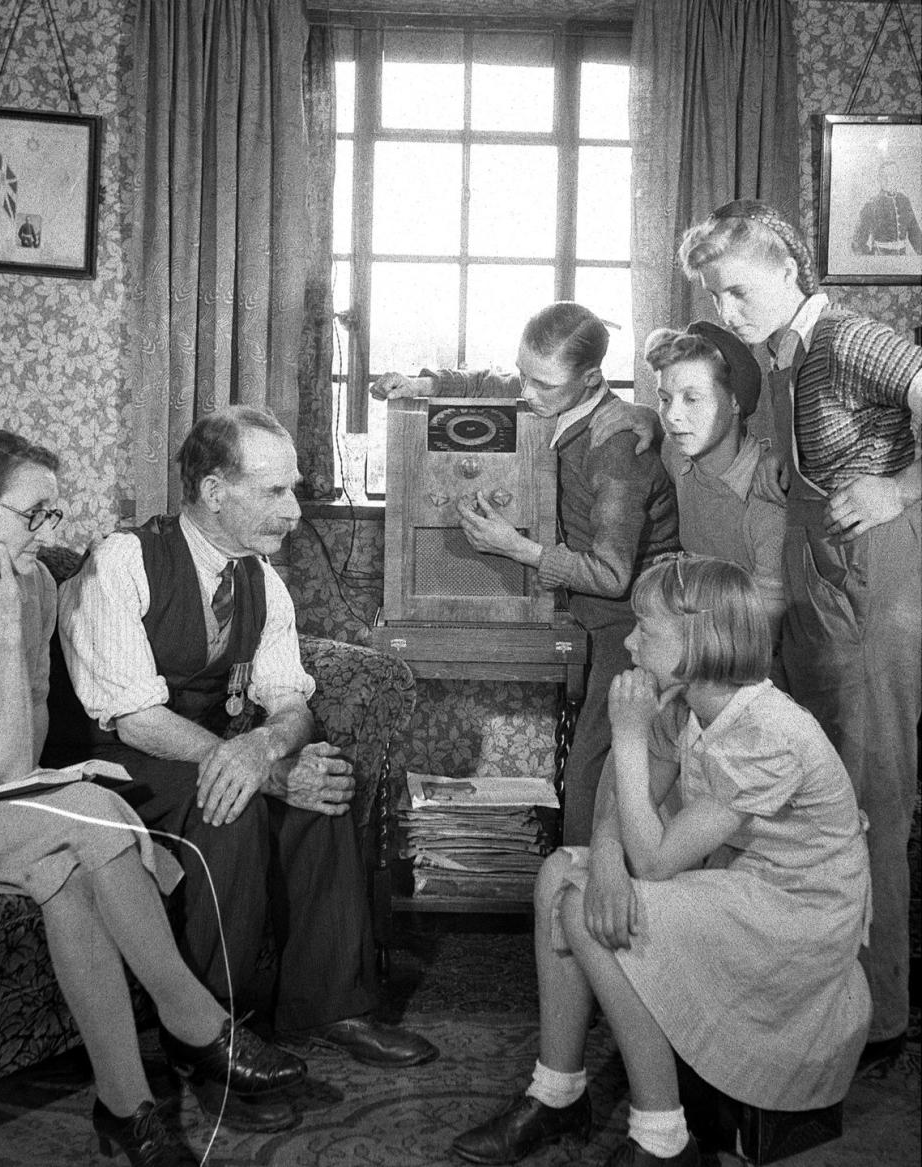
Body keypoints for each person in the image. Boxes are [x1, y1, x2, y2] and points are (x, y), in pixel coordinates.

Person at [56, 407, 438, 1119]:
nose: (294, 512)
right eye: (273, 493)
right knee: (224, 805)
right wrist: (255, 769)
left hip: (213, 750)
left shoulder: (262, 578)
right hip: (118, 765)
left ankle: (328, 1004)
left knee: (323, 782)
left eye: (293, 489)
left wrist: (271, 748)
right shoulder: (123, 561)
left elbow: (289, 697)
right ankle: (210, 1040)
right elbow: (132, 714)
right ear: (212, 490)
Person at [451, 555, 871, 1167]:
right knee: (555, 877)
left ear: (700, 641)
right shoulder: (683, 700)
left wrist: (626, 735)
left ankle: (663, 1140)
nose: (628, 639)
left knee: (581, 910)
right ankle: (558, 1092)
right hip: (739, 879)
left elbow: (653, 861)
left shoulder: (769, 731)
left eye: (644, 628)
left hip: (799, 910)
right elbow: (622, 805)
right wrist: (606, 863)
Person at [0, 428, 306, 1167]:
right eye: (35, 515)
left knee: (67, 867)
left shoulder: (37, 586)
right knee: (89, 808)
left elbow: (22, 756)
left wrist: (10, 625)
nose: (53, 533)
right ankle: (195, 1018)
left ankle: (126, 1107)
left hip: (2, 810)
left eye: (54, 513)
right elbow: (14, 760)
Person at [677, 198, 922, 1069]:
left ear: (788, 268)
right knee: (824, 801)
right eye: (716, 296)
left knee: (872, 798)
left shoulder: (850, 338)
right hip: (820, 593)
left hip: (872, 586)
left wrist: (903, 486)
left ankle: (879, 1014)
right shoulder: (788, 359)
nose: (729, 313)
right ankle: (828, 996)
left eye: (740, 291)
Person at [372, 302, 680, 846]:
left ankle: (580, 893)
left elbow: (611, 575)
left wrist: (521, 550)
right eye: (525, 376)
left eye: (543, 384)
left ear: (590, 379)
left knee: (591, 764)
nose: (527, 395)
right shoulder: (550, 400)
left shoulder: (616, 447)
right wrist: (422, 382)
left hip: (635, 622)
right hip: (588, 613)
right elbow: (489, 380)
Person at [643, 320, 787, 654]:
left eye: (691, 399)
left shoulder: (766, 499)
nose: (673, 416)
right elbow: (659, 432)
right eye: (665, 399)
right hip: (706, 642)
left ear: (736, 402)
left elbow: (766, 634)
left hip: (757, 661)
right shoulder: (679, 457)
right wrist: (640, 415)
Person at [851, 161, 921, 257]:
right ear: (878, 179)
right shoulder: (871, 205)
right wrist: (870, 260)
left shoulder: (904, 201)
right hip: (880, 260)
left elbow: (915, 234)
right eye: (884, 176)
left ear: (898, 178)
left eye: (892, 176)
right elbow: (857, 243)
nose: (888, 180)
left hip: (902, 259)